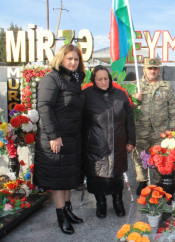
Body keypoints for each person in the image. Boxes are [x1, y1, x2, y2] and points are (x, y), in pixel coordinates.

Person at [34, 44, 85, 234]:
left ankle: (68, 210)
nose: (73, 62)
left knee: (68, 176)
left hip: (72, 138)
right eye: (69, 58)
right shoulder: (51, 78)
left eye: (76, 59)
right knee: (57, 179)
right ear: (61, 58)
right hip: (55, 138)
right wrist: (53, 136)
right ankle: (61, 216)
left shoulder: (73, 80)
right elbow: (44, 107)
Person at [82, 65, 135, 219]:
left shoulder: (121, 95)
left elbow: (130, 120)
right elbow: (79, 120)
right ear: (93, 80)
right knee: (97, 175)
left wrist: (131, 140)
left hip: (118, 143)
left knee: (116, 173)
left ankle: (118, 201)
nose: (104, 82)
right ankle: (101, 203)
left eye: (106, 78)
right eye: (100, 79)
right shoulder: (86, 95)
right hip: (95, 144)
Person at [132, 58, 175, 195]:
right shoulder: (135, 86)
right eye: (150, 68)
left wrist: (174, 126)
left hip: (160, 131)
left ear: (159, 69)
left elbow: (173, 108)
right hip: (140, 129)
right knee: (139, 157)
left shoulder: (165, 86)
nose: (153, 71)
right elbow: (127, 109)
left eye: (155, 68)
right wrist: (135, 100)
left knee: (161, 158)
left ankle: (160, 183)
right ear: (144, 70)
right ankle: (142, 182)